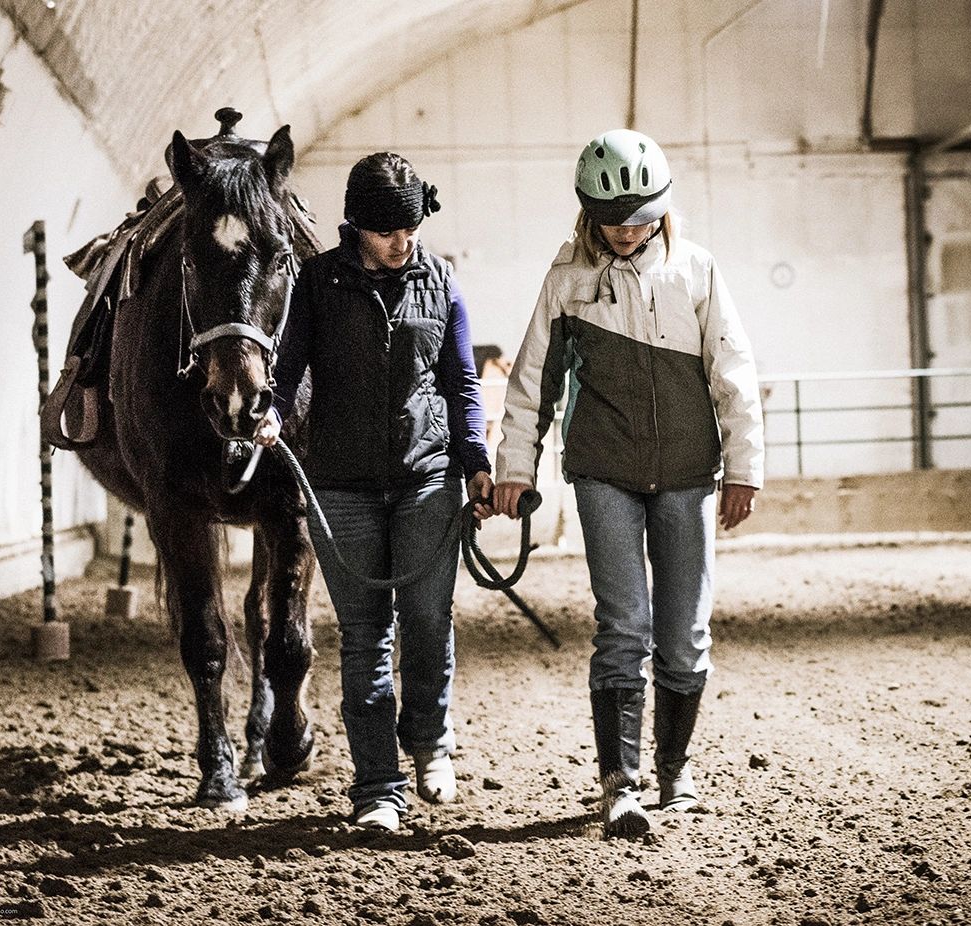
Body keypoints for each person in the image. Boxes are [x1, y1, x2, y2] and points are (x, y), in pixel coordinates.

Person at [492, 129, 764, 838]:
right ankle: (619, 782)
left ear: (662, 208)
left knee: (685, 635)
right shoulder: (565, 282)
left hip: (687, 477)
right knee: (623, 628)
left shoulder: (697, 272)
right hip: (602, 474)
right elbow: (530, 387)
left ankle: (674, 770)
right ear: (587, 213)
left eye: (639, 216)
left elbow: (732, 374)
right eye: (612, 218)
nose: (625, 230)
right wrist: (513, 470)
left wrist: (743, 468)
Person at [256, 152, 494, 832]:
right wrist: (270, 411)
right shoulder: (317, 282)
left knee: (426, 621)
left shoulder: (439, 278)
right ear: (355, 226)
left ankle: (428, 741)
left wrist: (473, 457)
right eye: (388, 231)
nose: (402, 242)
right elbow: (287, 367)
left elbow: (461, 380)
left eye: (411, 228)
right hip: (342, 486)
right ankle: (377, 786)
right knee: (365, 636)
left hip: (427, 479)